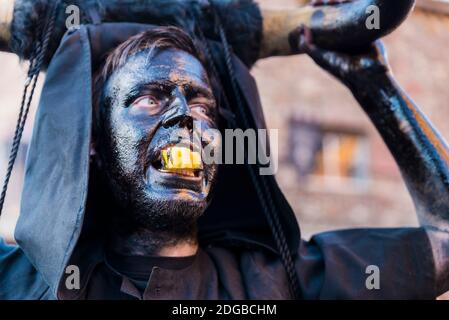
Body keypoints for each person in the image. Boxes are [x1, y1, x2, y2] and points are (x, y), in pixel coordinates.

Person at [1, 7, 448, 300]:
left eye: (200, 103)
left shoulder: (284, 285)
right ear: (93, 143)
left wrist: (375, 85)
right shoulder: (16, 282)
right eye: (150, 99)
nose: (186, 119)